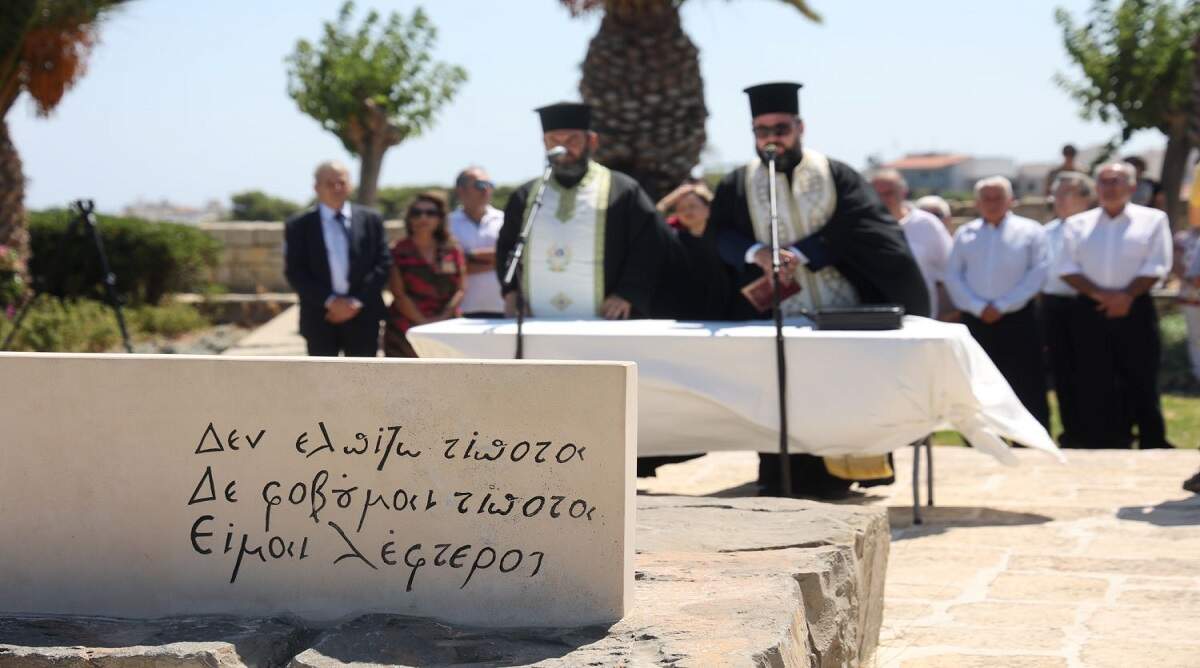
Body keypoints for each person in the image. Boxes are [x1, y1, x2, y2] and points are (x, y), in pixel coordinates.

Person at [708, 81, 930, 499]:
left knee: (837, 393)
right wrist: (756, 253)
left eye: (780, 129)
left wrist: (803, 253)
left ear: (800, 127)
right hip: (773, 315)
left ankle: (839, 475)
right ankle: (781, 476)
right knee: (780, 395)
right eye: (761, 130)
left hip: (836, 307)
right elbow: (718, 235)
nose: (771, 139)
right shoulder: (739, 182)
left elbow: (862, 226)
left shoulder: (835, 174)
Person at [496, 102, 667, 320]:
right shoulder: (526, 195)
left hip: (607, 320)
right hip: (535, 319)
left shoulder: (622, 191)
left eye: (572, 140)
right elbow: (507, 247)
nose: (563, 149)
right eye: (554, 141)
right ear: (544, 143)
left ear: (591, 141)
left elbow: (649, 247)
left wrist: (628, 293)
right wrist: (511, 292)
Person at [1057, 162, 1174, 449]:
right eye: (1104, 181)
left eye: (1116, 181)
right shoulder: (1077, 224)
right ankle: (1103, 439)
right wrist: (1102, 296)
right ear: (1096, 187)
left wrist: (1126, 297)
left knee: (1141, 374)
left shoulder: (1153, 220)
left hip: (1136, 306)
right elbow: (1066, 267)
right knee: (1094, 374)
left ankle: (1152, 439)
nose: (1109, 187)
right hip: (1090, 308)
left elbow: (1158, 264)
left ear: (1132, 186)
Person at [944, 176, 1050, 427]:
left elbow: (1038, 272)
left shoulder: (1031, 231)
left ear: (1010, 200)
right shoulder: (965, 234)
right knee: (976, 382)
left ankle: (1030, 437)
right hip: (976, 318)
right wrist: (978, 307)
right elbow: (953, 275)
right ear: (977, 203)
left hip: (1019, 317)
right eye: (986, 198)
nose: (992, 203)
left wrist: (1002, 305)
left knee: (1026, 380)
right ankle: (982, 437)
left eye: (997, 198)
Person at [284, 160, 390, 357]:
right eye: (329, 183)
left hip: (364, 316)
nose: (337, 188)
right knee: (323, 376)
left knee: (363, 375)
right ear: (317, 187)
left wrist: (355, 302)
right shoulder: (299, 226)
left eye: (341, 182)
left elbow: (383, 264)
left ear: (350, 185)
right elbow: (295, 271)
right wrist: (331, 302)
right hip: (320, 317)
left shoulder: (371, 220)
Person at [1041, 171, 1096, 447]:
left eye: (1066, 193)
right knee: (1062, 372)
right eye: (1056, 193)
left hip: (1088, 304)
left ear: (1086, 198)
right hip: (1054, 306)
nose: (1059, 199)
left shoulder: (1095, 227)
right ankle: (1071, 431)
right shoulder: (1046, 232)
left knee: (1093, 371)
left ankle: (1096, 431)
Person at [384, 191, 466, 357]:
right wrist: (423, 323)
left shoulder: (452, 249)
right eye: (417, 213)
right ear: (409, 218)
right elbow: (398, 294)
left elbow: (461, 289)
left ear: (440, 218)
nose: (423, 218)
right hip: (405, 330)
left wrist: (441, 319)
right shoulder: (398, 250)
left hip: (447, 327)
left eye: (430, 213)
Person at [870, 169, 954, 318]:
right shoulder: (864, 226)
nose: (883, 199)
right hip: (877, 314)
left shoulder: (927, 224)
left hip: (921, 315)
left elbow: (950, 267)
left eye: (889, 193)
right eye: (877, 194)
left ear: (903, 192)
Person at [653, 182, 733, 320]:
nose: (687, 212)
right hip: (684, 314)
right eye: (681, 208)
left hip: (725, 315)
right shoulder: (674, 239)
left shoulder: (725, 237)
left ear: (708, 208)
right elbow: (650, 222)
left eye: (692, 206)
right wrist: (668, 201)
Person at [448, 166, 505, 318]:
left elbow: (515, 258)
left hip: (503, 308)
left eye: (490, 185)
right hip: (461, 310)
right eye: (480, 185)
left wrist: (469, 256)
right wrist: (498, 261)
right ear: (461, 190)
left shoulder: (504, 220)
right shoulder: (447, 224)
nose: (486, 190)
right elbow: (449, 265)